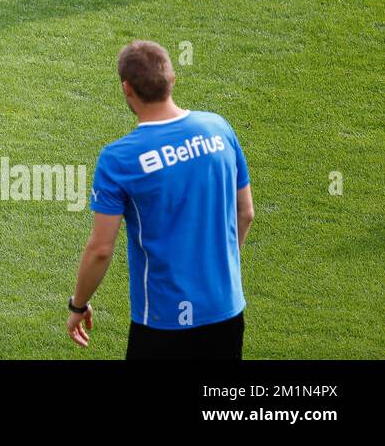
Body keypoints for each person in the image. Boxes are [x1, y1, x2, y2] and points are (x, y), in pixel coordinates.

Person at [66, 41, 253, 360]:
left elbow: (101, 249)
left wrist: (78, 304)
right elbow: (245, 212)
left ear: (127, 88)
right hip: (226, 308)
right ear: (172, 78)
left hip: (164, 320)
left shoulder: (119, 159)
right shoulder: (218, 128)